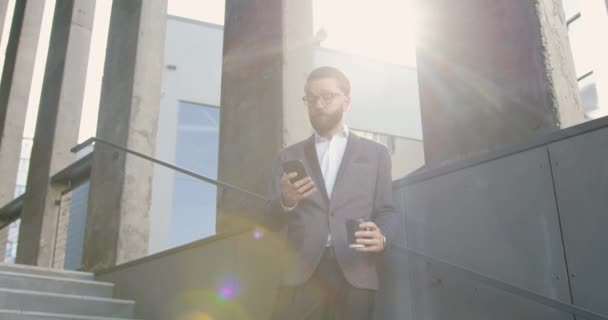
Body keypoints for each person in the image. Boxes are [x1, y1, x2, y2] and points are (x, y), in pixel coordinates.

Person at [265, 66, 399, 320]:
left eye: (327, 96)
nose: (318, 104)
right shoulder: (288, 156)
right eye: (311, 98)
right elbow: (268, 218)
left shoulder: (376, 154)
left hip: (355, 270)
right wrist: (286, 201)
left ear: (346, 101)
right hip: (300, 276)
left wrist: (383, 237)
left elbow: (386, 211)